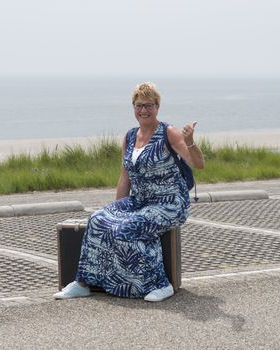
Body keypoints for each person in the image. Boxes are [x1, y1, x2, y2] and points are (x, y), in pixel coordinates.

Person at [54, 82, 205, 302]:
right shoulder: (130, 136)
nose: (143, 110)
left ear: (157, 107)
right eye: (139, 105)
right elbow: (125, 178)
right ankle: (83, 283)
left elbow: (198, 164)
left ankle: (162, 285)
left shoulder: (168, 133)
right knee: (97, 220)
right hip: (140, 200)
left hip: (169, 203)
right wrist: (115, 213)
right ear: (133, 107)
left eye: (149, 105)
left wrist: (190, 142)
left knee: (130, 227)